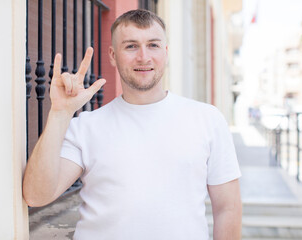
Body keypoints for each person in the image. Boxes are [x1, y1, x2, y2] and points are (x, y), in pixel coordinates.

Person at [23, 9, 242, 240]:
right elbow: (37, 196)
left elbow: (227, 208)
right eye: (131, 46)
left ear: (165, 52)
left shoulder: (207, 119)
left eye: (153, 45)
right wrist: (59, 113)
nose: (143, 57)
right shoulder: (85, 127)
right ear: (112, 55)